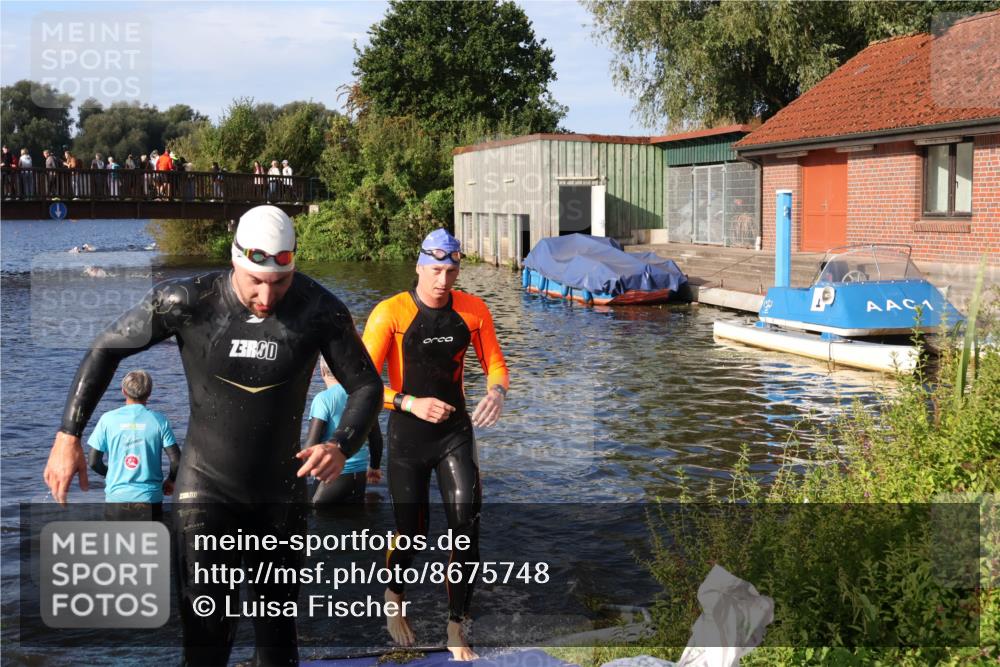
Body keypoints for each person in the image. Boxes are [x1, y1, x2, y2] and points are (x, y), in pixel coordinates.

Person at [43, 205, 383, 666]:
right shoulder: (187, 301)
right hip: (205, 490)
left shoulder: (319, 309)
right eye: (255, 281)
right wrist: (68, 435)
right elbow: (105, 348)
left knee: (278, 644)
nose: (266, 296)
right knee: (205, 642)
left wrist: (341, 444)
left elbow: (366, 386)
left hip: (278, 497)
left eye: (280, 283)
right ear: (235, 261)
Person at [362, 228, 509, 660]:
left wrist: (496, 393)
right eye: (435, 271)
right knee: (412, 533)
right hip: (408, 438)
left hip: (454, 434)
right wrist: (409, 402)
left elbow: (496, 364)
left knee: (466, 528)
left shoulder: (473, 310)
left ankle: (456, 625)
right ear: (420, 267)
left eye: (451, 272)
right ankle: (394, 597)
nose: (443, 281)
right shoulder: (391, 313)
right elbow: (365, 385)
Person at [87, 370, 180, 521]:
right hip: (150, 500)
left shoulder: (107, 420)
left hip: (117, 500)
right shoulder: (159, 421)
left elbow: (93, 462)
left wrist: (111, 473)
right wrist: (171, 480)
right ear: (149, 393)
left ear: (123, 391)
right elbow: (176, 460)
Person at [307, 357, 384, 505]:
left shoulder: (323, 399)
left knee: (309, 511)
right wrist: (374, 467)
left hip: (332, 476)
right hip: (359, 477)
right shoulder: (362, 396)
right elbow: (376, 438)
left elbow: (312, 442)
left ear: (322, 371)